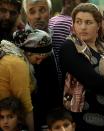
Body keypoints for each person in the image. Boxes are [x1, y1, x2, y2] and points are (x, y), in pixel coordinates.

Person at [59, 3, 104, 131]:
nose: (83, 27)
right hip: (85, 120)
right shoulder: (70, 46)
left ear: (98, 25)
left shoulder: (103, 46)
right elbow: (90, 78)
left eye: (88, 22)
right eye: (78, 22)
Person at [0, 28, 52, 131]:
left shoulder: (6, 50)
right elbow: (26, 106)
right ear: (29, 52)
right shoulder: (18, 64)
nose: (38, 63)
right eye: (38, 58)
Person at [22, 0, 62, 130]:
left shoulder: (55, 35)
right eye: (32, 11)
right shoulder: (21, 43)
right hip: (35, 116)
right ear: (26, 15)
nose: (38, 16)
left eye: (42, 10)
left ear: (49, 13)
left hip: (57, 114)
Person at [49, 0, 89, 86]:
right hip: (68, 83)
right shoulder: (72, 24)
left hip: (54, 81)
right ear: (68, 2)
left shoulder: (51, 21)